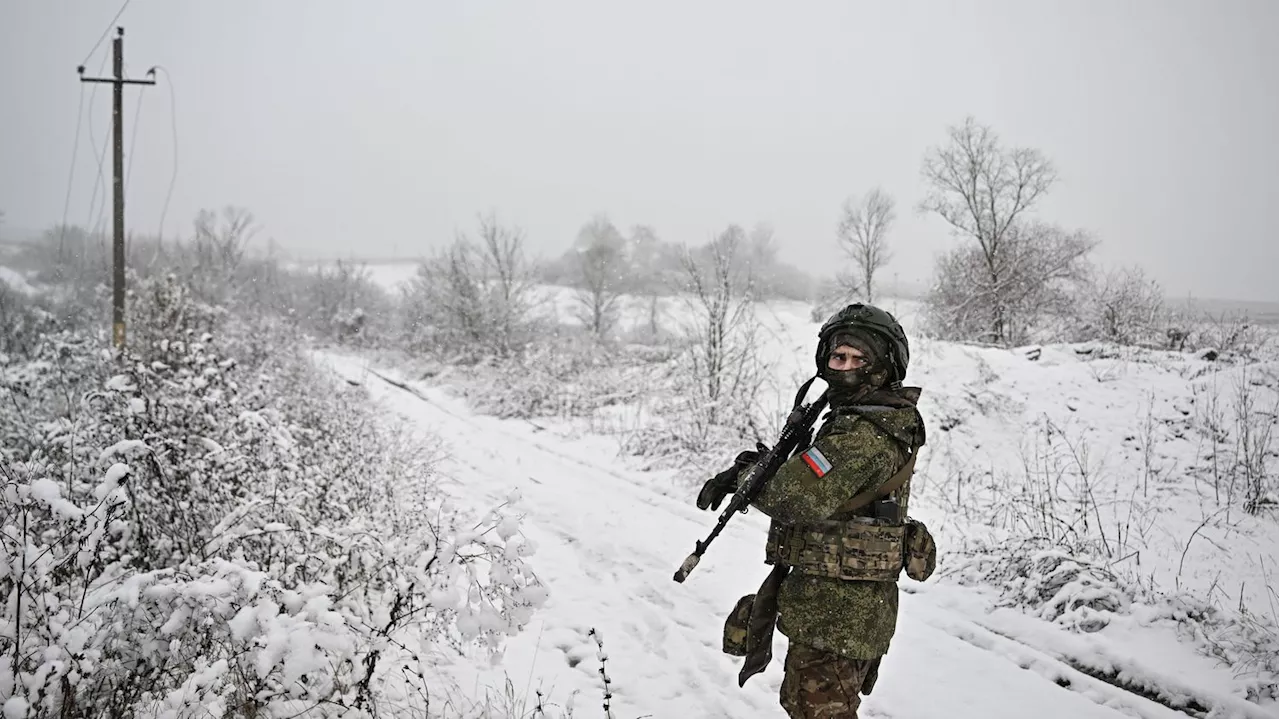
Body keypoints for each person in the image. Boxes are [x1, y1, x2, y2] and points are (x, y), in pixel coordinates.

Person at [697, 302, 934, 719]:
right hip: (838, 609)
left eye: (859, 359)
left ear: (886, 365)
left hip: (838, 618)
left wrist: (743, 476)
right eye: (837, 356)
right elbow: (818, 487)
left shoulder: (863, 433)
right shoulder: (867, 418)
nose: (845, 367)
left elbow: (794, 497)